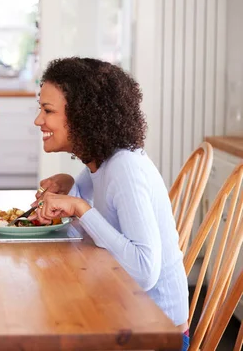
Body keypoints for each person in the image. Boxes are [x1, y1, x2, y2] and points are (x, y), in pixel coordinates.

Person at [30, 57, 189, 348]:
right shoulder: (101, 160)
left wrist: (79, 207)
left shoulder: (124, 167)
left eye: (47, 111)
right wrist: (71, 186)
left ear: (82, 116)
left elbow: (144, 272)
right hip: (126, 314)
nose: (39, 120)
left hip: (155, 333)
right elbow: (94, 209)